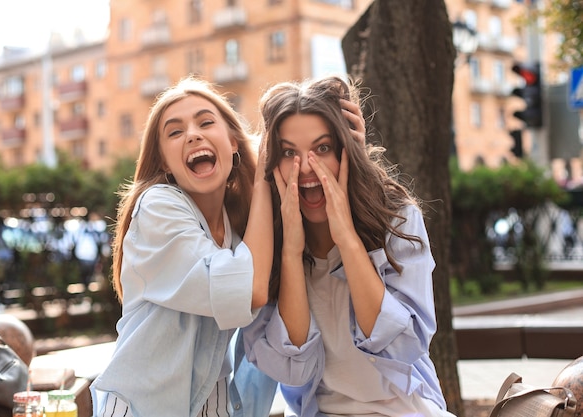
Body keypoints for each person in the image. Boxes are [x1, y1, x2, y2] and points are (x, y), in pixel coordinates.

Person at [242, 76, 455, 417]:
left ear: (345, 150)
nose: (307, 167)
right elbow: (290, 367)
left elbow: (405, 344)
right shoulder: (264, 242)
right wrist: (291, 254)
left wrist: (348, 239)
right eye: (288, 153)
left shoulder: (397, 217)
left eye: (323, 148)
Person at [89, 76, 277, 417]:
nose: (192, 134)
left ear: (233, 142)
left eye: (206, 122)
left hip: (213, 405)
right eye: (175, 132)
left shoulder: (237, 231)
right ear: (164, 163)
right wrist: (264, 176)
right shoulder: (157, 208)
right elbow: (250, 290)